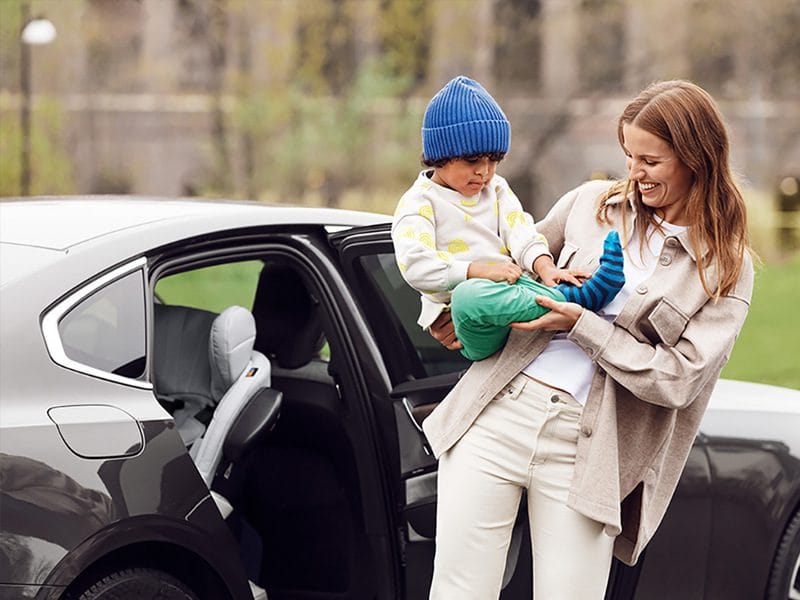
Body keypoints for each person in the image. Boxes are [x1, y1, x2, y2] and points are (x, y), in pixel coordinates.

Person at [422, 79, 754, 599]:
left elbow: (677, 379)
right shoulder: (589, 204)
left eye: (651, 161)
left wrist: (581, 324)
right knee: (458, 591)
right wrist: (456, 307)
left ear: (697, 159)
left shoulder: (724, 267)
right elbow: (509, 258)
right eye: (629, 155)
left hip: (591, 451)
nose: (634, 174)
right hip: (497, 412)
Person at [392, 75, 625, 361]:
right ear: (440, 154)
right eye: (473, 161)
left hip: (517, 290)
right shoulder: (419, 203)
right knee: (468, 296)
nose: (485, 172)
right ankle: (575, 301)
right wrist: (478, 270)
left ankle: (563, 296)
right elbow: (415, 264)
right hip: (468, 319)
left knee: (520, 284)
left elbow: (521, 231)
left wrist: (546, 268)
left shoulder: (496, 188)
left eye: (494, 160)